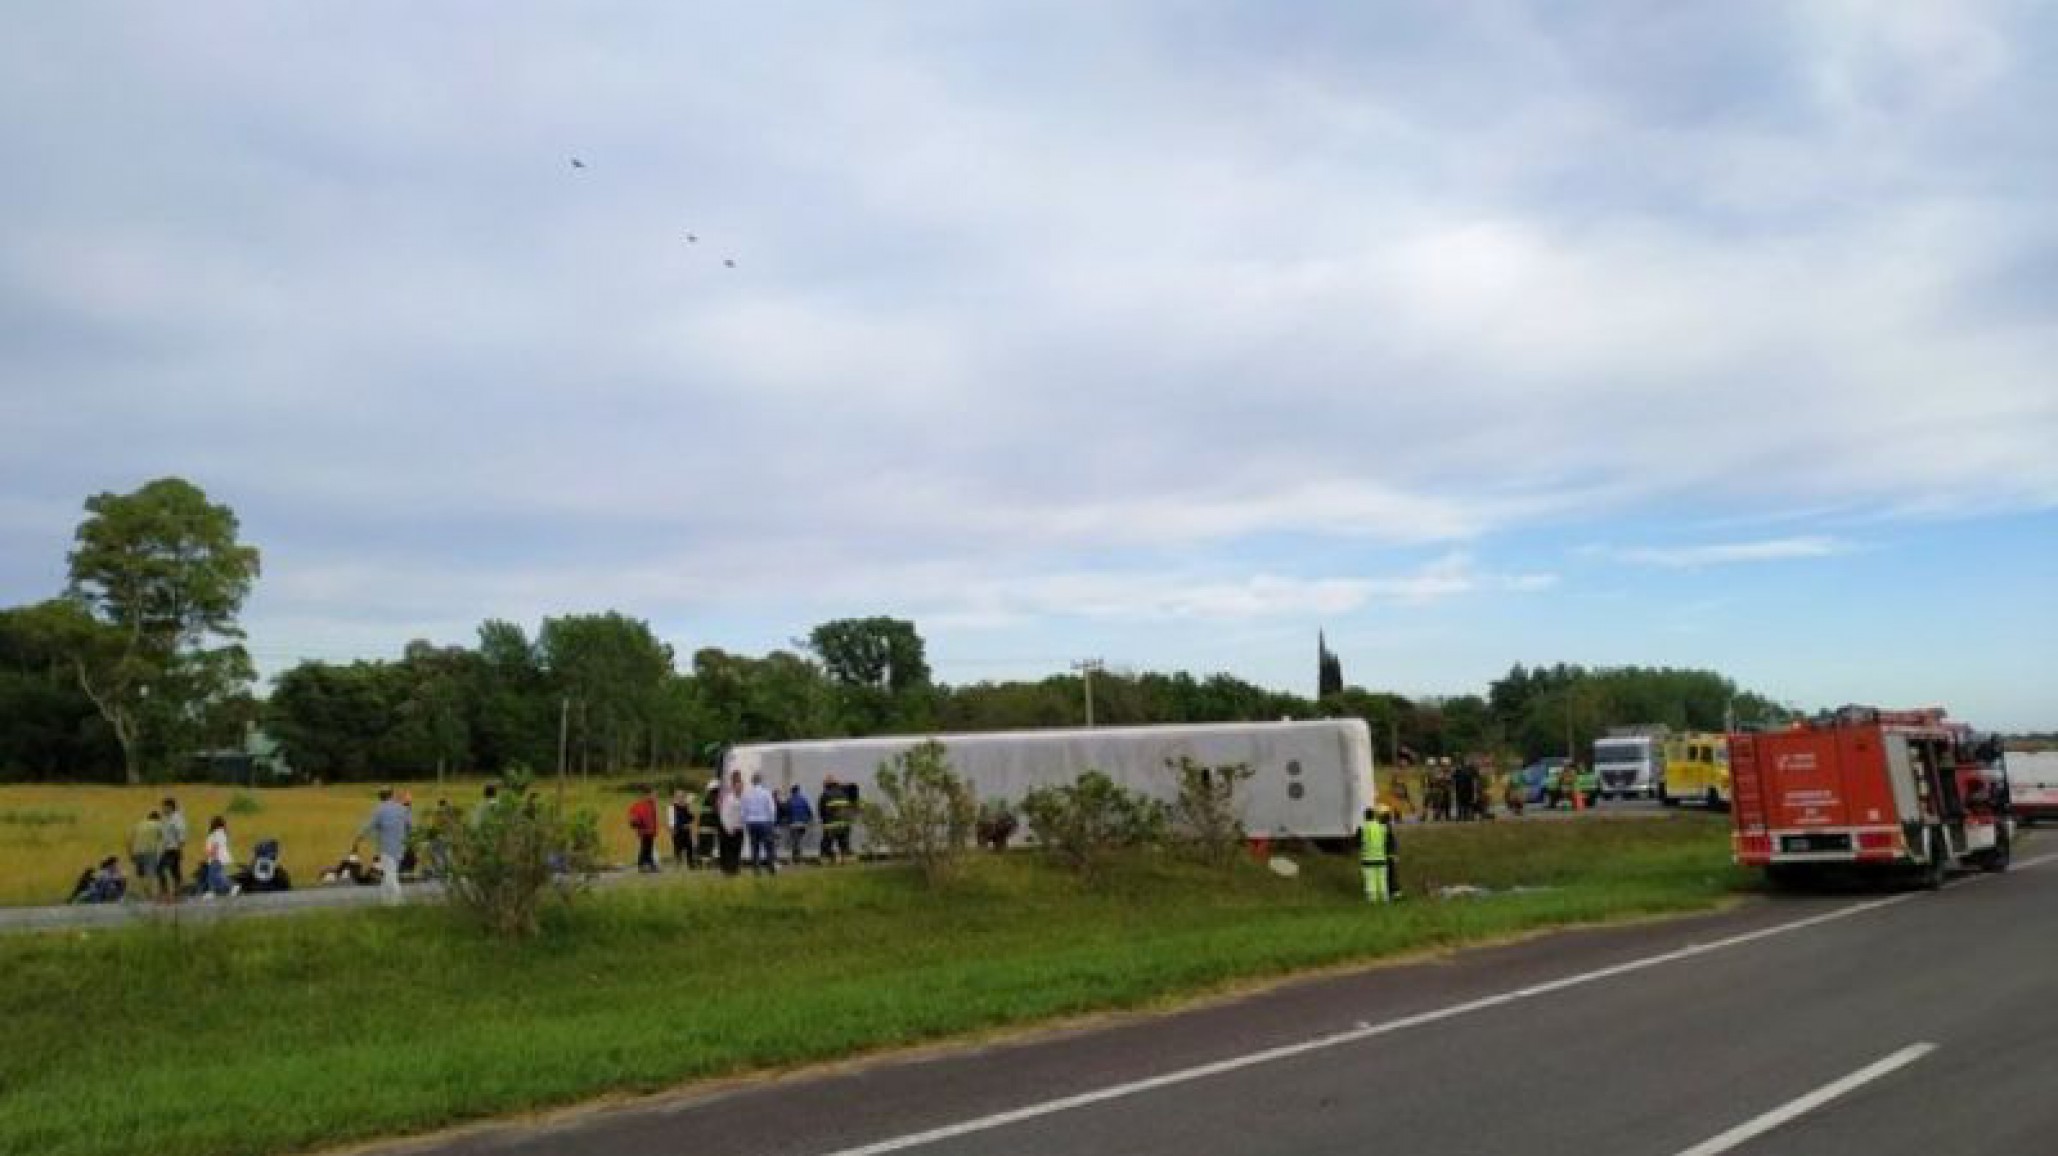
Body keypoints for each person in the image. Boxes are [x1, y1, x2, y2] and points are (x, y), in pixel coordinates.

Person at [358, 788, 411, 906]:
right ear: (391, 795)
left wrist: (359, 837)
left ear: (380, 797)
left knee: (390, 875)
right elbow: (409, 825)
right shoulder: (401, 808)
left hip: (387, 848)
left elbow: (369, 826)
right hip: (401, 847)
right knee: (389, 873)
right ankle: (385, 901)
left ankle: (398, 901)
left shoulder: (379, 810)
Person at [742, 773, 778, 875]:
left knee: (754, 847)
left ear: (752, 781)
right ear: (761, 780)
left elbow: (743, 811)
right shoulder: (766, 793)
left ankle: (756, 871)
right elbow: (772, 809)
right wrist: (772, 822)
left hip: (751, 823)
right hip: (764, 822)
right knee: (769, 847)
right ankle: (771, 869)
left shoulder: (746, 793)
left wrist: (746, 822)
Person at [129, 809, 164, 900]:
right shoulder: (158, 825)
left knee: (140, 873)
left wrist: (131, 853)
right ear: (157, 818)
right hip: (149, 852)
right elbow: (163, 839)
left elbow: (130, 840)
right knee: (150, 873)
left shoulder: (139, 825)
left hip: (136, 851)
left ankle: (139, 893)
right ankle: (149, 894)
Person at [1360, 806, 1393, 903]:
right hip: (1381, 858)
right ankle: (1384, 898)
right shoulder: (1382, 827)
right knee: (1382, 879)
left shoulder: (1363, 828)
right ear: (1374, 816)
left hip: (1368, 858)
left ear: (1365, 816)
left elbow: (1357, 842)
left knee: (1370, 879)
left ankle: (1372, 899)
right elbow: (1388, 840)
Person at [157, 796, 187, 898]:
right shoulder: (167, 819)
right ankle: (178, 891)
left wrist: (180, 848)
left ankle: (165, 891)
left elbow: (181, 833)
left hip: (173, 849)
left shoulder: (176, 819)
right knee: (174, 870)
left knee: (160, 869)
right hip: (167, 848)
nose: (163, 809)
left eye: (164, 807)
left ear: (170, 807)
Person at [820, 775, 853, 864]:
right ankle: (845, 860)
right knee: (843, 844)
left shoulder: (825, 794)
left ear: (827, 785)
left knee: (826, 845)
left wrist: (824, 822)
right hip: (844, 824)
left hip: (831, 825)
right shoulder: (844, 793)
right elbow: (849, 808)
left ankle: (830, 859)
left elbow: (822, 811)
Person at [718, 771, 746, 876]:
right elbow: (724, 815)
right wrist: (729, 828)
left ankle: (734, 869)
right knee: (729, 850)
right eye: (738, 787)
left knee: (737, 850)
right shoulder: (729, 799)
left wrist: (743, 825)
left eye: (741, 787)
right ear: (734, 787)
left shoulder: (743, 798)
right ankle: (729, 871)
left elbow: (743, 814)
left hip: (739, 828)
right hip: (730, 829)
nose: (740, 789)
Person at [628, 785, 660, 873]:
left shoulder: (652, 804)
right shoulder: (640, 804)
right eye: (654, 794)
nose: (655, 796)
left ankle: (650, 864)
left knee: (649, 848)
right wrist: (637, 822)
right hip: (644, 830)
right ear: (648, 794)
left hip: (650, 830)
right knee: (644, 849)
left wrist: (655, 829)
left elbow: (654, 818)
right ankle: (642, 865)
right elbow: (634, 817)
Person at [202, 816, 236, 898]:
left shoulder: (217, 833)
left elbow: (215, 845)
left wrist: (212, 854)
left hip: (216, 858)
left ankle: (231, 886)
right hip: (216, 857)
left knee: (215, 875)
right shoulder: (220, 833)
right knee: (213, 875)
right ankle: (213, 891)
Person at [785, 783, 814, 865]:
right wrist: (808, 820)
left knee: (795, 841)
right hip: (802, 824)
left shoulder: (789, 800)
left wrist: (787, 820)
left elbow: (786, 812)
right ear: (798, 791)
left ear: (792, 791)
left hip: (793, 824)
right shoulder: (804, 799)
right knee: (798, 840)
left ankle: (796, 859)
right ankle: (798, 858)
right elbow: (809, 812)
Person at [696, 778, 722, 869]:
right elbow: (716, 811)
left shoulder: (707, 798)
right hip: (710, 826)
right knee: (708, 845)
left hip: (703, 825)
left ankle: (699, 862)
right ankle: (707, 864)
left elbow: (704, 812)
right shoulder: (714, 798)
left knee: (702, 845)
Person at [668, 787, 696, 869]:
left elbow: (691, 818)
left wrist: (690, 809)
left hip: (686, 831)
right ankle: (678, 865)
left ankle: (691, 864)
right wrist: (673, 830)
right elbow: (671, 820)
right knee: (678, 849)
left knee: (689, 848)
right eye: (679, 796)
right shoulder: (672, 807)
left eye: (682, 796)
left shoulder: (686, 807)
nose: (681, 798)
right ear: (675, 797)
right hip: (677, 831)